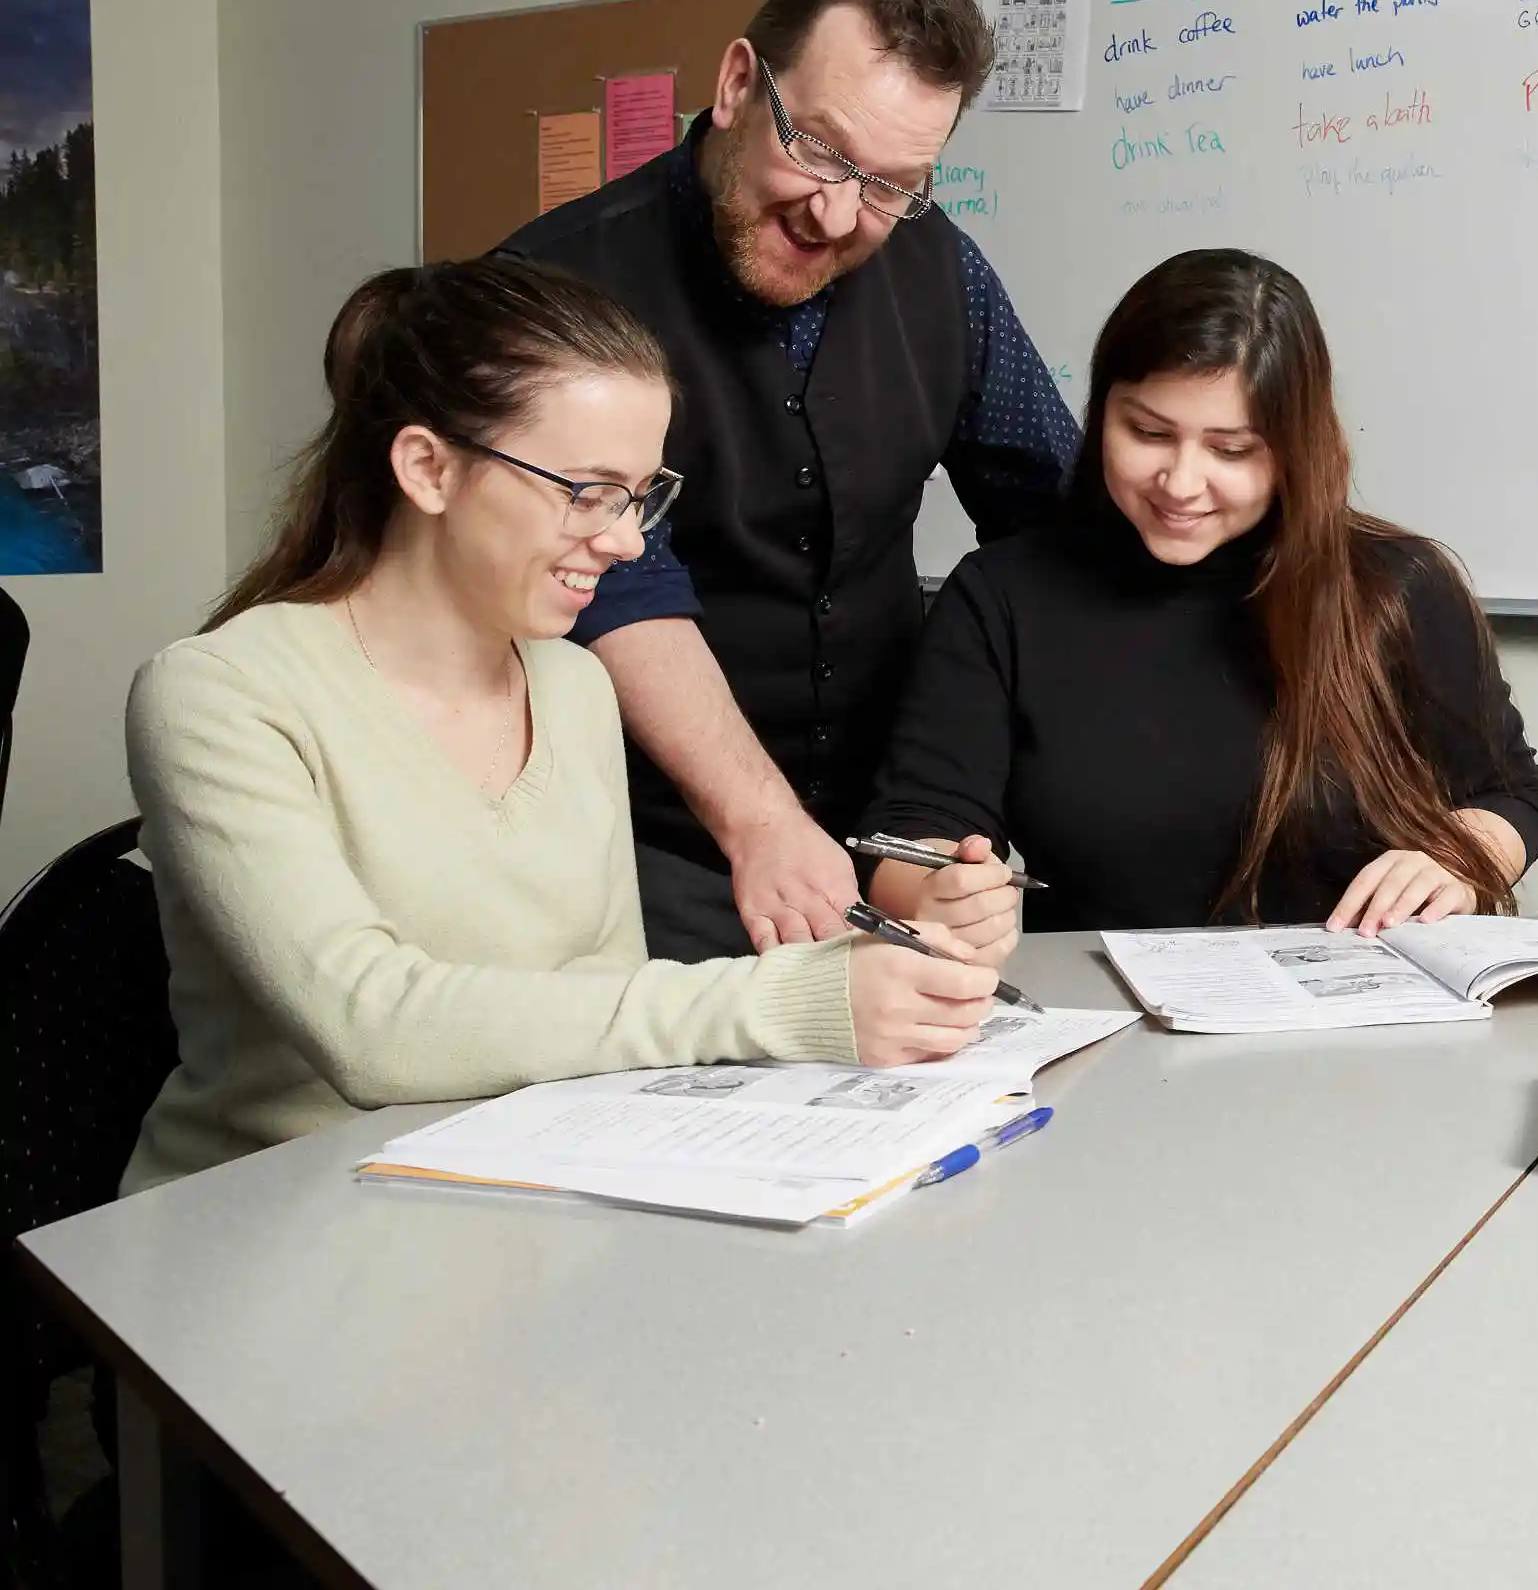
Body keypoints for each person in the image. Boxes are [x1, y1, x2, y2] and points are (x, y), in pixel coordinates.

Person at [123, 262, 998, 1193]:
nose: (626, 541)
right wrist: (791, 999)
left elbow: (599, 1007)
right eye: (587, 492)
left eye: (640, 496)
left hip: (510, 1203)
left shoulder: (576, 686)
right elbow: (368, 1028)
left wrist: (889, 960)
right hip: (257, 1231)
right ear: (428, 468)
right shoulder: (218, 695)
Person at [495, 0, 1078, 962]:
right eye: (817, 147)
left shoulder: (944, 270)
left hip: (885, 850)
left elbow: (1055, 527)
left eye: (894, 183)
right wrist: (760, 820)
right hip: (638, 857)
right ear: (734, 84)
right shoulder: (553, 289)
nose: (839, 212)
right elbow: (624, 584)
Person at [858, 248, 1538, 944]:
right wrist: (940, 894)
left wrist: (1458, 858)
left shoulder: (1400, 587)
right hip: (1102, 1014)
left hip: (1356, 1010)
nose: (1181, 483)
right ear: (1102, 413)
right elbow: (912, 835)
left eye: (1231, 450)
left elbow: (1511, 795)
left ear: (1294, 448)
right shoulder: (1000, 597)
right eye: (1149, 433)